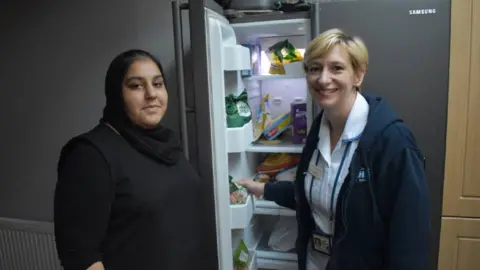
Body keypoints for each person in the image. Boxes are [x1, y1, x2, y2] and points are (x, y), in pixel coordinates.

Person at [238, 28, 430, 270]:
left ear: (358, 75)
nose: (323, 79)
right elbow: (313, 196)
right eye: (315, 68)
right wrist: (264, 189)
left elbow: (410, 242)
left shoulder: (393, 143)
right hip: (315, 262)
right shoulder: (319, 131)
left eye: (336, 68)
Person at [54, 49, 207, 270]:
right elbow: (81, 256)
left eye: (158, 84)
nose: (151, 94)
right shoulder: (90, 155)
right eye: (136, 85)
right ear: (117, 94)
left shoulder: (165, 143)